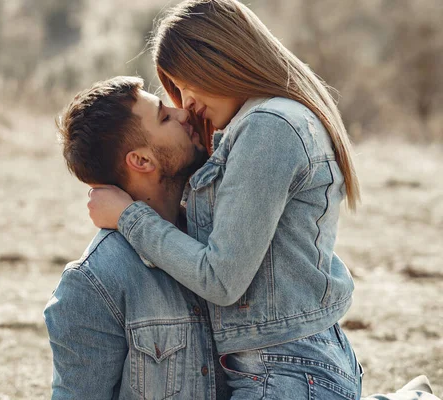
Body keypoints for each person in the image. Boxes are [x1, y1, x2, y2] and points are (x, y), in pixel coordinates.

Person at [85, 1, 437, 399]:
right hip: (276, 368)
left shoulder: (269, 127)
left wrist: (130, 217)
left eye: (185, 84)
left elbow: (221, 279)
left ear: (217, 61)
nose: (185, 104)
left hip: (286, 371)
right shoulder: (260, 124)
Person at [43, 76, 230, 399]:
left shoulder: (221, 244)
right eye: (164, 117)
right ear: (142, 161)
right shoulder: (93, 282)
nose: (184, 114)